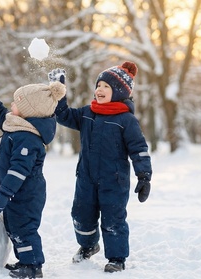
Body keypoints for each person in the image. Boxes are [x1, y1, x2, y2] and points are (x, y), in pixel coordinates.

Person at [48, 62, 152, 273]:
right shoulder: (88, 113)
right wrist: (58, 93)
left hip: (114, 181)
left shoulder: (126, 120)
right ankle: (88, 245)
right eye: (98, 85)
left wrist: (144, 175)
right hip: (86, 178)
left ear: (119, 91)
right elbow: (63, 115)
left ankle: (116, 258)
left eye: (106, 86)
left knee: (113, 219)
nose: (99, 90)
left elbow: (139, 148)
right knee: (80, 215)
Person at [0, 79, 66, 279]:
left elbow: (18, 171)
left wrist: (4, 194)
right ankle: (25, 260)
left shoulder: (28, 138)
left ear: (28, 110)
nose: (11, 106)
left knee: (24, 228)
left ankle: (33, 266)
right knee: (13, 225)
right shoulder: (17, 124)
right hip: (16, 192)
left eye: (16, 103)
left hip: (27, 194)